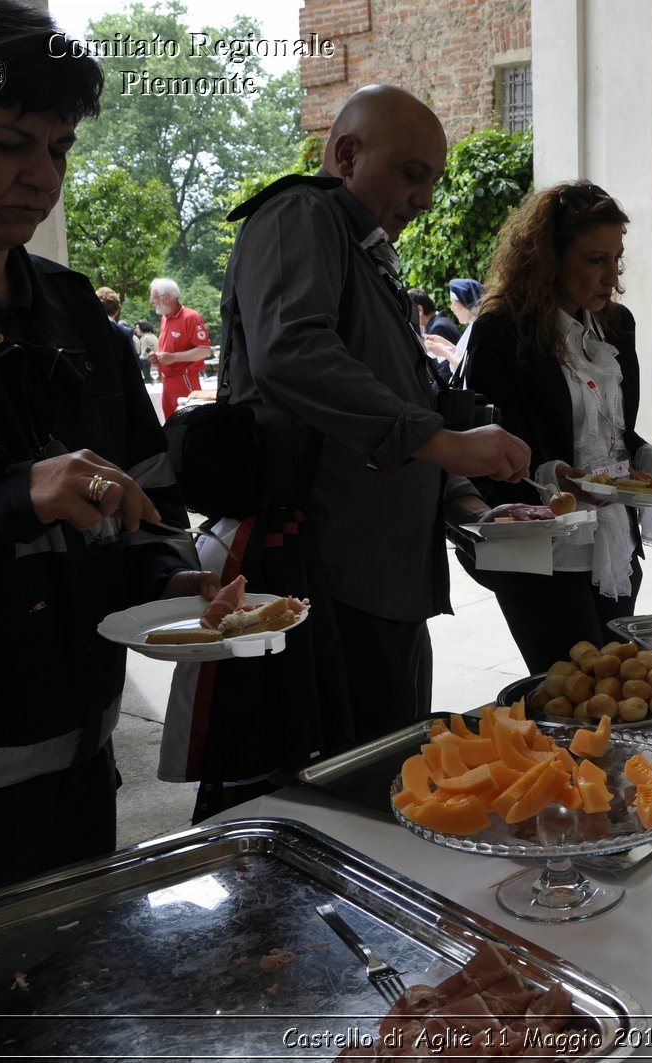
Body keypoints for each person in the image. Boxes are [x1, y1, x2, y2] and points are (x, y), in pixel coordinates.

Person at [0, 0, 218, 910]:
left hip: (81, 769)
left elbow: (147, 492)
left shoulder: (73, 309)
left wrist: (172, 580)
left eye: (59, 148)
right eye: (7, 142)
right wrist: (17, 498)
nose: (40, 175)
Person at [207, 84, 530, 758]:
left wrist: (465, 498)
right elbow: (293, 351)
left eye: (432, 180)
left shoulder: (362, 246)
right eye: (413, 174)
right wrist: (442, 441)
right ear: (347, 154)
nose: (425, 199)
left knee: (392, 764)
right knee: (346, 782)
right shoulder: (301, 214)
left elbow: (397, 392)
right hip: (325, 572)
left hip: (382, 575)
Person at [460, 180, 652, 672]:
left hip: (614, 546)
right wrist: (560, 478)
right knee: (571, 693)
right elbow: (489, 455)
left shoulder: (616, 327)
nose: (612, 277)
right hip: (544, 554)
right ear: (548, 257)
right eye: (596, 260)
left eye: (616, 259)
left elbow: (614, 435)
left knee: (617, 684)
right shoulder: (501, 334)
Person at [148, 276, 212, 420]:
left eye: (154, 297)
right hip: (167, 381)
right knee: (171, 426)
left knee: (188, 424)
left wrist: (173, 357)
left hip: (185, 380)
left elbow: (205, 350)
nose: (152, 301)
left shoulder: (191, 317)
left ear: (167, 298)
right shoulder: (165, 318)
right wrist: (158, 357)